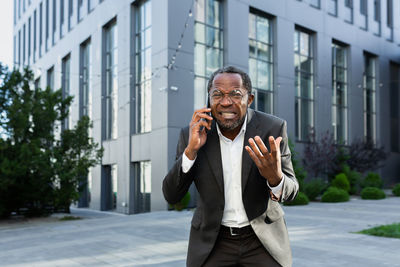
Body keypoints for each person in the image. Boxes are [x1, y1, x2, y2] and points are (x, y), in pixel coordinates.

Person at [163, 66, 299, 267]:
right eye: (217, 94)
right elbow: (171, 196)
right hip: (213, 242)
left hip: (262, 240)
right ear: (209, 98)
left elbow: (291, 191)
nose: (226, 102)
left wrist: (275, 179)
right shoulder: (192, 133)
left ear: (249, 99)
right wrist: (190, 151)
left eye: (235, 94)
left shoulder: (272, 128)